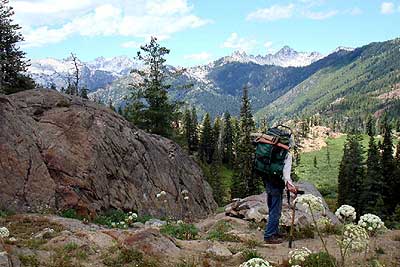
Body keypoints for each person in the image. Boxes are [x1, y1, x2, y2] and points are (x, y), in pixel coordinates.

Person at [263, 145, 297, 244]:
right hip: (276, 183)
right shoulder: (286, 155)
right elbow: (286, 174)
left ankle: (274, 231)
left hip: (267, 179)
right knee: (275, 209)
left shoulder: (271, 150)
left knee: (271, 206)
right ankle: (269, 235)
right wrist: (291, 186)